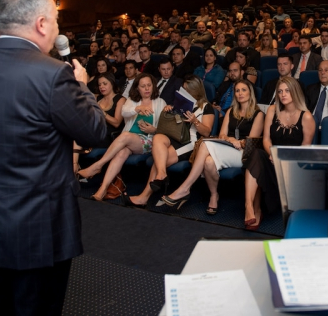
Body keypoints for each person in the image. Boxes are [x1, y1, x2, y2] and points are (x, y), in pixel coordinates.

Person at [0, 0, 105, 315]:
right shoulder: (53, 75)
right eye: (56, 22)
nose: (57, 30)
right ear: (42, 23)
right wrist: (83, 87)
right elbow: (94, 131)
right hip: (41, 232)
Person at [162, 80, 264, 213]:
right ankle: (214, 195)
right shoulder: (231, 111)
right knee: (209, 162)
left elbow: (251, 141)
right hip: (228, 148)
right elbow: (222, 135)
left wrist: (239, 142)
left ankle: (185, 188)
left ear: (250, 93)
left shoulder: (258, 114)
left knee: (205, 144)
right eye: (237, 90)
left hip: (245, 154)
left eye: (244, 90)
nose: (240, 93)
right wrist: (231, 139)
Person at [126, 75, 215, 207]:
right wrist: (168, 110)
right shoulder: (182, 103)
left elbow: (207, 132)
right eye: (183, 90)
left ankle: (144, 197)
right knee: (157, 138)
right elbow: (173, 124)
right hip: (176, 136)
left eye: (187, 90)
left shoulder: (206, 107)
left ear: (196, 90)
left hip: (191, 143)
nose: (185, 93)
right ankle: (162, 175)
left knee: (159, 161)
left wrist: (195, 121)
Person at [77, 73, 164, 198]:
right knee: (121, 153)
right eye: (143, 86)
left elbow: (164, 129)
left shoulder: (160, 102)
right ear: (137, 88)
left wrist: (153, 129)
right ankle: (102, 189)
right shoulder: (132, 101)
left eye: (149, 85)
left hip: (148, 141)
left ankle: (98, 165)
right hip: (129, 141)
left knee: (125, 136)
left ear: (153, 86)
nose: (146, 88)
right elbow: (124, 112)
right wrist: (137, 109)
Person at [243, 77, 314, 230]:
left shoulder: (306, 116)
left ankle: (257, 209)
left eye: (287, 91)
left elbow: (305, 149)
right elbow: (266, 139)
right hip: (272, 159)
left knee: (258, 166)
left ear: (295, 91)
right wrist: (273, 154)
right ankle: (249, 206)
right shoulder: (272, 110)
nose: (283, 94)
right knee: (256, 155)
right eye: (280, 91)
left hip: (293, 166)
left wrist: (284, 158)